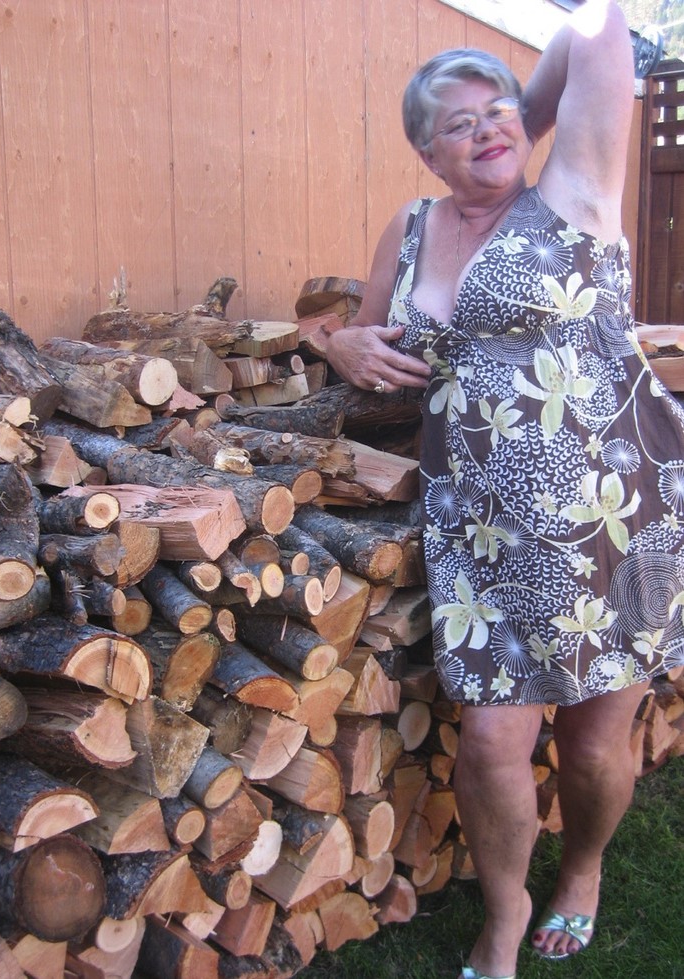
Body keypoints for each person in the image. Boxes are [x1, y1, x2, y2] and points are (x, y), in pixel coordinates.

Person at [324, 3, 684, 978]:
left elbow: (601, 30)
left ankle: (585, 870)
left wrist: (512, 114)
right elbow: (365, 340)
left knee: (595, 742)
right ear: (425, 152)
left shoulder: (574, 190)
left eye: (498, 112)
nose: (486, 129)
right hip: (478, 528)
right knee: (489, 740)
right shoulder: (410, 227)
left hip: (611, 516)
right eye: (459, 123)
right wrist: (342, 343)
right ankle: (504, 914)